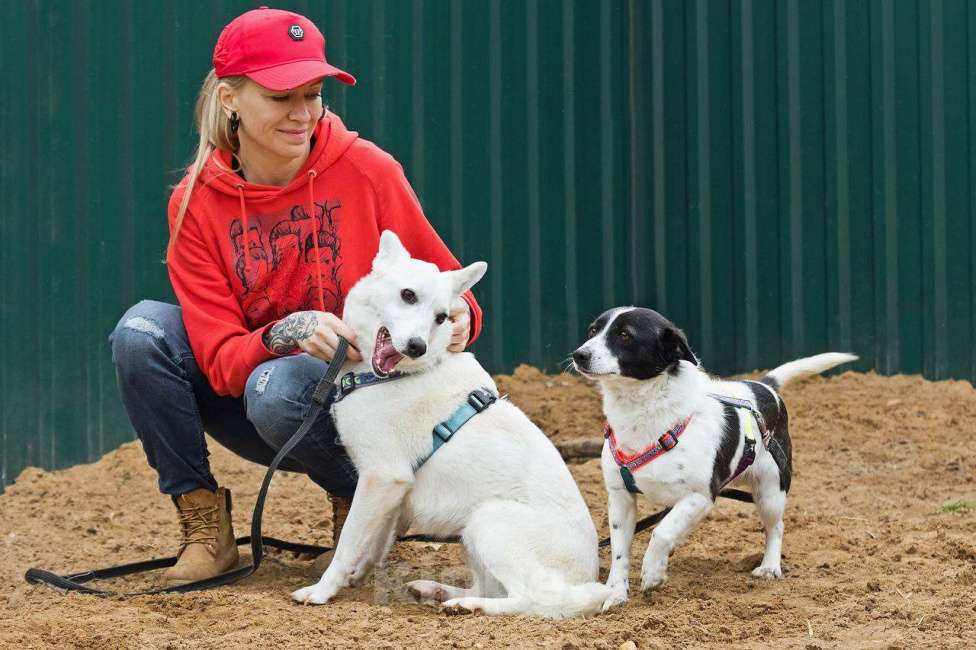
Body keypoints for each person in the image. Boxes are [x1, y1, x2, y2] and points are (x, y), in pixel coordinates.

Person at [109, 7, 482, 587]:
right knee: (142, 333)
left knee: (276, 386)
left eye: (312, 94)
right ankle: (204, 525)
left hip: (372, 402)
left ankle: (362, 505)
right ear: (231, 97)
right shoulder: (194, 202)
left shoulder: (368, 169)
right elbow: (218, 361)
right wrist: (286, 332)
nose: (302, 113)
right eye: (282, 96)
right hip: (260, 400)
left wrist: (461, 317)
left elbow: (445, 279)